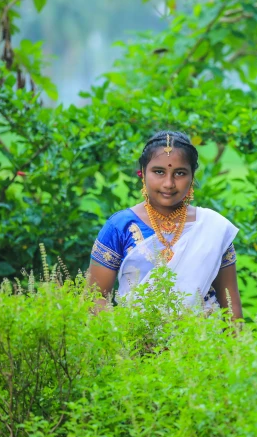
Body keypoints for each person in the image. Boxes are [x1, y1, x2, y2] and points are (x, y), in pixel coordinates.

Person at [87, 131, 242, 319]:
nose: (169, 183)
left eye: (180, 173)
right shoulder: (120, 226)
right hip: (136, 341)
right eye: (159, 172)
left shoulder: (213, 228)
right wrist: (124, 332)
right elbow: (95, 297)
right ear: (143, 173)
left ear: (192, 176)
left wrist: (234, 347)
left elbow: (231, 307)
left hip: (202, 342)